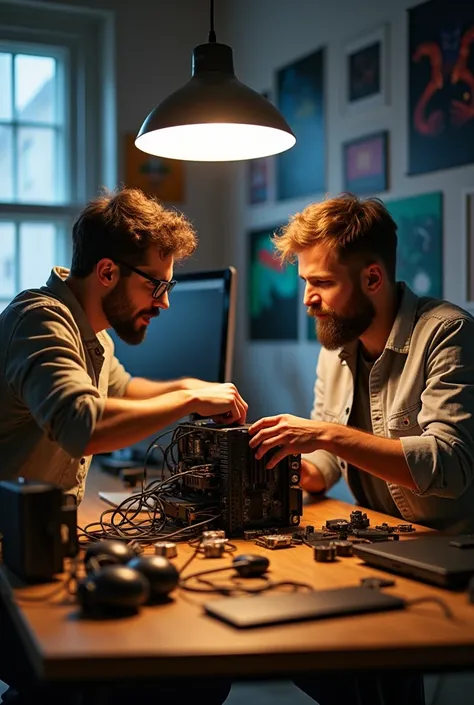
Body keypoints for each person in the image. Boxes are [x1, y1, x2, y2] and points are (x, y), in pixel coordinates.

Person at [0, 187, 246, 704]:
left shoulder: (93, 332)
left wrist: (191, 391)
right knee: (192, 679)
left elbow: (124, 389)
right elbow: (82, 422)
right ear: (108, 273)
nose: (164, 302)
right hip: (7, 568)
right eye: (157, 285)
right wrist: (188, 401)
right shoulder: (38, 320)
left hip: (35, 546)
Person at [248, 192, 474, 705]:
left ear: (372, 278)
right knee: (302, 644)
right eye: (305, 281)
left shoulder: (449, 334)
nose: (308, 297)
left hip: (447, 551)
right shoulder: (337, 342)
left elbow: (452, 462)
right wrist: (300, 466)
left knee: (345, 667)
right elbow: (329, 456)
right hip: (378, 545)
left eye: (322, 283)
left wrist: (323, 435)